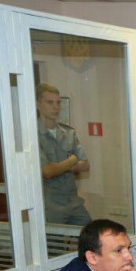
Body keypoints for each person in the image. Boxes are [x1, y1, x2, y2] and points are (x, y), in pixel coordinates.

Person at [36, 83, 92, 226]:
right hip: (50, 204)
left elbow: (85, 165)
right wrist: (72, 160)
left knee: (91, 233)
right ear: (38, 104)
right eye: (50, 102)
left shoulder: (68, 132)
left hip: (73, 201)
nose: (55, 107)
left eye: (58, 102)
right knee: (54, 239)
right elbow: (47, 172)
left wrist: (59, 167)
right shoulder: (33, 135)